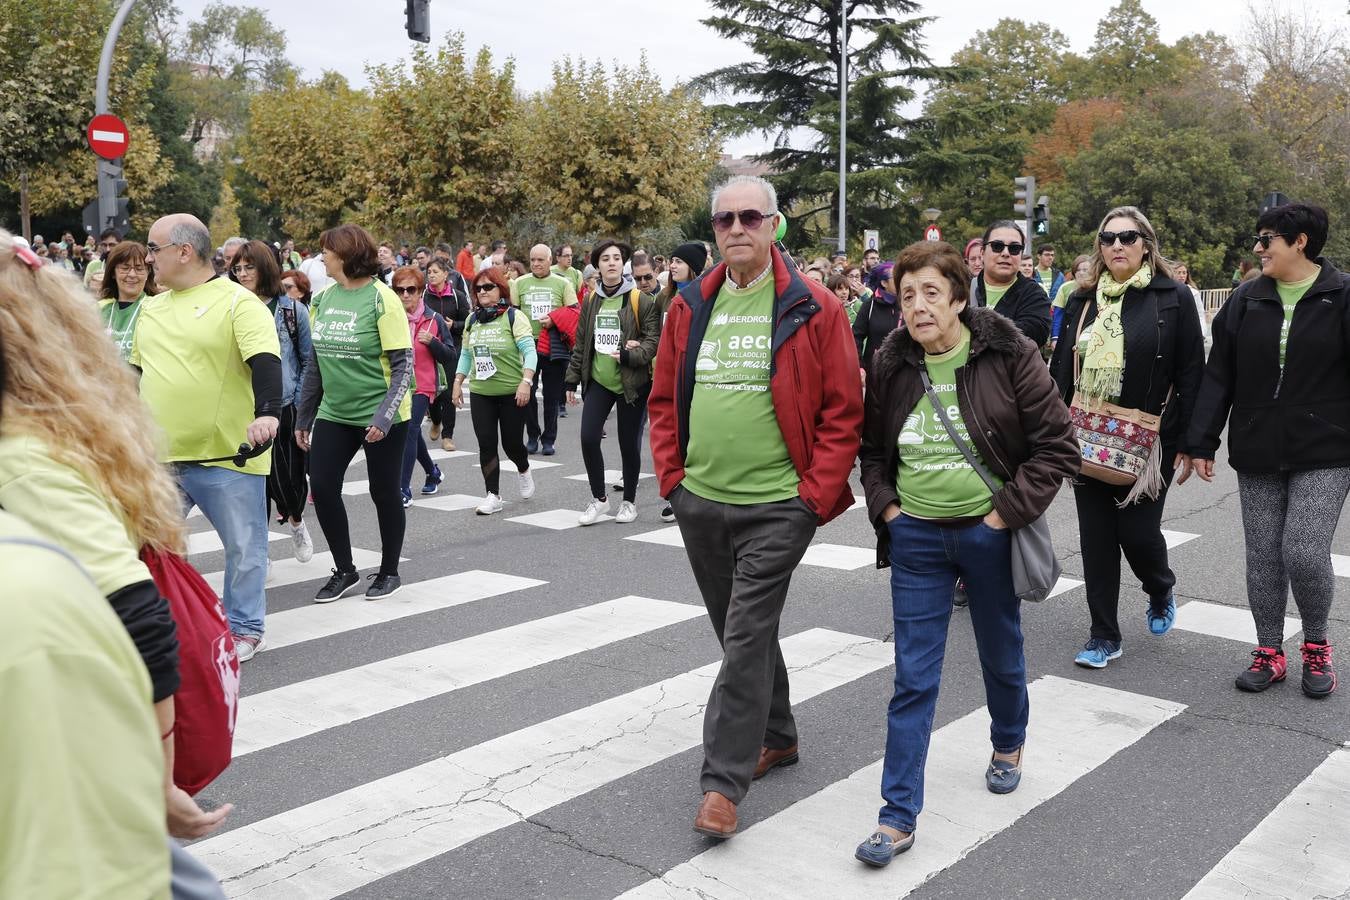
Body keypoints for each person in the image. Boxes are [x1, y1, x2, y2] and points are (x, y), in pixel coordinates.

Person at [0, 232, 236, 856]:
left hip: (67, 743)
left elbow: (138, 612)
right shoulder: (59, 421)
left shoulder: (21, 456)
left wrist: (155, 784)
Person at [649, 174, 863, 838]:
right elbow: (663, 400)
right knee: (740, 629)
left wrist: (811, 499)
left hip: (778, 506)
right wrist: (673, 482)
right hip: (702, 500)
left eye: (749, 217)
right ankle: (778, 732)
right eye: (724, 220)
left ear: (774, 226)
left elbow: (842, 411)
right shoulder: (689, 305)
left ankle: (722, 783)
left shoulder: (815, 306)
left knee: (743, 637)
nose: (736, 229)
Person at [855, 240, 1079, 867]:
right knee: (912, 677)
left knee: (1000, 651)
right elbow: (872, 454)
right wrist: (890, 514)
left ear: (959, 296)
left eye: (931, 292)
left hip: (988, 531)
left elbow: (1056, 446)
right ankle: (897, 815)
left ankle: (1008, 742)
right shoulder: (893, 363)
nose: (919, 306)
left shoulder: (1010, 353)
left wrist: (1002, 515)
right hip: (917, 538)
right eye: (907, 296)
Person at [1185, 202, 1349, 697]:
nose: (1258, 249)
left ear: (1300, 241)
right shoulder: (1245, 299)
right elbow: (1220, 376)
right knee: (1263, 554)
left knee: (1302, 550)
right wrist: (1201, 440)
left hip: (1326, 446)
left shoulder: (1341, 295)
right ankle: (1269, 651)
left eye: (1267, 239)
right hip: (1258, 444)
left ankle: (1317, 645)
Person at [1049, 206, 1205, 669]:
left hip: (1150, 440)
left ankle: (1159, 586)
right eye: (1108, 237)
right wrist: (1050, 433)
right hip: (1085, 436)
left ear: (1146, 245)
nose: (1118, 244)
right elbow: (1061, 371)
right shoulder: (1083, 300)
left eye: (1128, 237)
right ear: (1099, 247)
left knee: (1138, 535)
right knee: (1096, 542)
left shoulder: (1173, 297)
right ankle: (1104, 635)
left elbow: (1192, 373)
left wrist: (1192, 443)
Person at [138, 215, 281, 662]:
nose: (147, 257)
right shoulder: (151, 307)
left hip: (227, 456)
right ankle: (156, 622)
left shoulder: (239, 303)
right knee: (148, 546)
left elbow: (265, 362)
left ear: (184, 251)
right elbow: (135, 374)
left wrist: (268, 415)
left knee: (244, 548)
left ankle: (244, 628)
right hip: (160, 456)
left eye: (153, 247)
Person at [297, 224, 413, 602]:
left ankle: (390, 570)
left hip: (382, 414)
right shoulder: (322, 299)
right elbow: (315, 362)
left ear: (346, 254)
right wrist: (304, 414)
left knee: (384, 491)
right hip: (335, 411)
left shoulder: (382, 299)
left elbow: (403, 367)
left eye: (326, 251)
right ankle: (345, 570)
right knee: (324, 486)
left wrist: (383, 417)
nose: (322, 258)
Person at [230, 240, 315, 564]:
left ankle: (296, 521)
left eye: (248, 266)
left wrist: (301, 403)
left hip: (285, 405)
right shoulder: (232, 306)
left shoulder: (292, 310)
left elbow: (308, 360)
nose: (242, 273)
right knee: (253, 484)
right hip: (243, 406)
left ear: (264, 266)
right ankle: (259, 551)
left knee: (289, 481)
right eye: (237, 268)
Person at [566, 239, 660, 525]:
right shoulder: (591, 300)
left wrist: (632, 355)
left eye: (616, 258)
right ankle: (600, 500)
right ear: (598, 265)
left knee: (628, 444)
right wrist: (571, 379)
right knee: (588, 437)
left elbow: (653, 341)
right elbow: (582, 340)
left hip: (631, 382)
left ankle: (629, 502)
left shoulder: (639, 300)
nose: (611, 262)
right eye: (605, 258)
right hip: (599, 381)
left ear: (623, 264)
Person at [453, 265, 537, 515]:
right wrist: (458, 382)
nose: (482, 292)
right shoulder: (471, 321)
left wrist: (526, 382)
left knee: (512, 445)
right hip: (481, 393)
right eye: (478, 288)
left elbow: (529, 352)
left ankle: (523, 468)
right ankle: (493, 495)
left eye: (488, 287)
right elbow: (466, 355)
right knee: (487, 444)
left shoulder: (513, 317)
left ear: (501, 290)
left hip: (512, 392)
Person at [387, 266, 456, 507]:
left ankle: (403, 489)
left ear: (420, 292)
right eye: (400, 290)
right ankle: (432, 472)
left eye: (411, 289)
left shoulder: (433, 320)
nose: (405, 295)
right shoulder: (390, 319)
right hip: (397, 384)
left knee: (408, 431)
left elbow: (449, 354)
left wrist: (434, 343)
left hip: (423, 385)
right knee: (411, 432)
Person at [510, 244, 579, 454]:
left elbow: (574, 312)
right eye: (533, 260)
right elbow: (513, 313)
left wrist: (554, 320)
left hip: (553, 346)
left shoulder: (562, 283)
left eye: (541, 260)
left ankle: (549, 439)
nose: (536, 264)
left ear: (550, 261)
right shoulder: (519, 283)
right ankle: (532, 434)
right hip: (527, 345)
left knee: (551, 396)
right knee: (527, 394)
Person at [973, 222, 1051, 347]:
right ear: (982, 252)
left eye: (1014, 248)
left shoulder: (1035, 295)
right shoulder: (961, 289)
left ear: (1021, 255)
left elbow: (1034, 335)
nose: (1005, 253)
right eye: (997, 246)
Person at [421, 258, 471, 452]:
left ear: (445, 274)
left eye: (435, 271)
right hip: (428, 348)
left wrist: (453, 326)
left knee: (450, 392)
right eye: (429, 272)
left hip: (452, 348)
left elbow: (468, 321)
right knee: (432, 391)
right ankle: (435, 420)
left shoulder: (457, 296)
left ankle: (448, 435)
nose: (431, 275)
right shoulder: (424, 295)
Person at [98, 240, 157, 363]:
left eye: (139, 268)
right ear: (113, 273)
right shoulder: (99, 309)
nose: (132, 274)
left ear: (148, 272)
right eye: (125, 268)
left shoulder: (157, 308)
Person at [853, 260, 900, 376]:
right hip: (875, 372)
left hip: (902, 371)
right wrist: (860, 366)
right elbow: (856, 338)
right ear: (884, 283)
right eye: (895, 277)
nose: (900, 281)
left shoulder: (907, 304)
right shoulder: (869, 306)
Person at [1049, 254, 1091, 351]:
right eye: (1078, 270)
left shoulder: (1099, 288)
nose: (1081, 273)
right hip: (1069, 334)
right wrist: (1055, 337)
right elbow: (1058, 314)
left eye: (1085, 270)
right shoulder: (1065, 287)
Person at [1174, 261, 1211, 354]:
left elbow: (1200, 314)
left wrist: (1201, 332)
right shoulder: (1167, 291)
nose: (1182, 275)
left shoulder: (1194, 292)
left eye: (1184, 272)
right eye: (1179, 272)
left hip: (1190, 332)